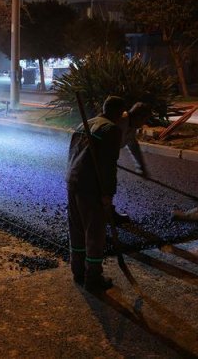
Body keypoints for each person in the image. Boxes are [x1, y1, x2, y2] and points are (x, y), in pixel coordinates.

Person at [65, 96, 126, 292]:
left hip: (72, 180)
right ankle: (93, 277)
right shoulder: (112, 130)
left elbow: (72, 154)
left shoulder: (84, 124)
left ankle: (78, 271)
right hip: (91, 187)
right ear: (119, 113)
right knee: (95, 231)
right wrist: (108, 193)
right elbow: (108, 166)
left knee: (77, 228)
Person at [119, 102, 154, 175]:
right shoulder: (119, 122)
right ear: (138, 117)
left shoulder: (131, 125)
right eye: (145, 119)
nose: (144, 123)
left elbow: (133, 146)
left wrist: (140, 166)